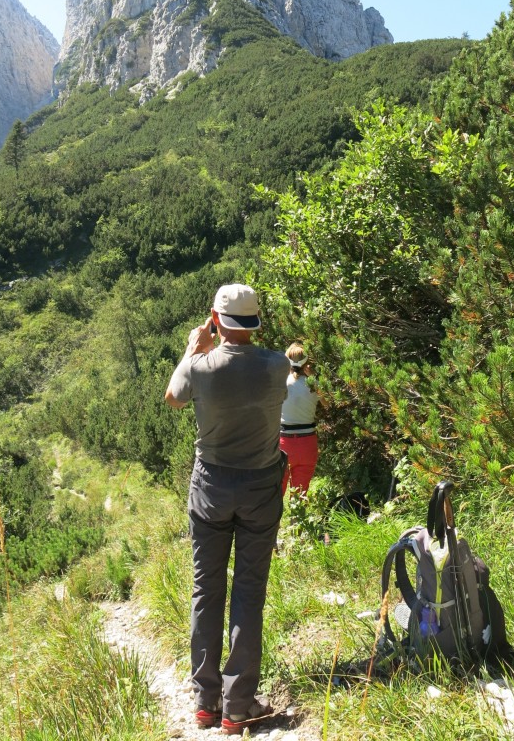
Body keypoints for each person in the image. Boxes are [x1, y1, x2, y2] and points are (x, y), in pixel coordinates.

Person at [164, 284, 288, 735]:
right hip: (260, 488)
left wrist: (191, 348)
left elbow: (173, 397)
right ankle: (238, 706)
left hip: (210, 487)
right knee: (249, 592)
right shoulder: (277, 366)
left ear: (216, 321)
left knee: (207, 590)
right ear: (256, 322)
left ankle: (205, 703)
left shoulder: (200, 367)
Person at [280, 343, 326, 496]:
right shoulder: (314, 385)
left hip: (283, 443)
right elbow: (328, 403)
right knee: (300, 495)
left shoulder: (280, 383)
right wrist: (313, 378)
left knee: (275, 493)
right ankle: (297, 520)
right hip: (307, 443)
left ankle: (274, 520)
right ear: (307, 363)